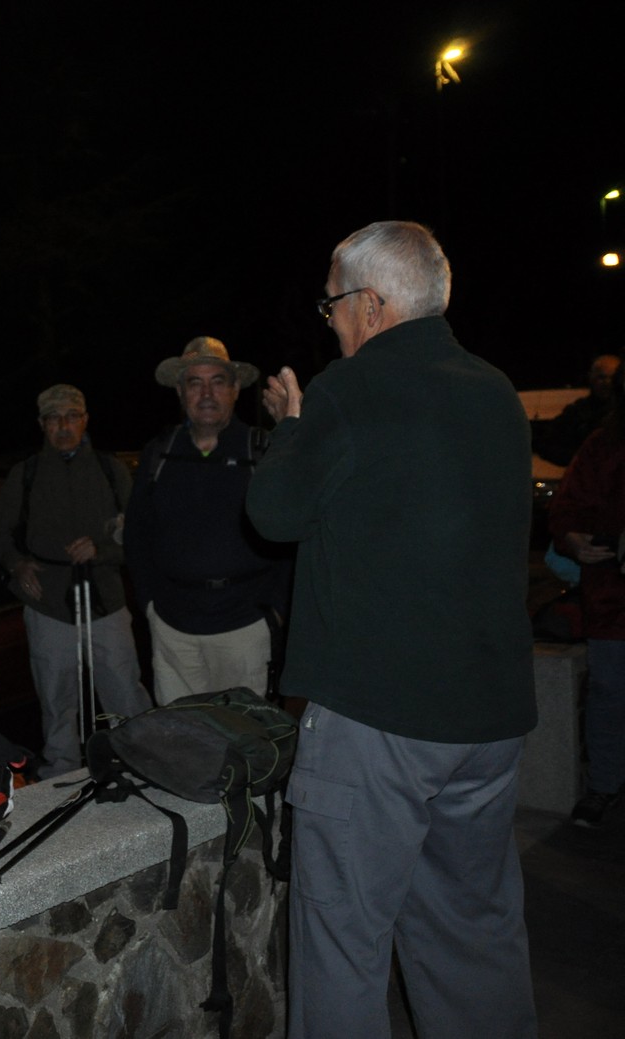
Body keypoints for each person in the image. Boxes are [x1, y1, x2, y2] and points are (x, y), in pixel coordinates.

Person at [246, 221, 537, 1038]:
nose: (331, 322)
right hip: (487, 722)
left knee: (343, 941)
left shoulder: (349, 388)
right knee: (471, 932)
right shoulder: (496, 390)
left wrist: (293, 424)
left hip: (379, 721)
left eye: (333, 304)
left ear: (372, 305)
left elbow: (274, 513)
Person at [0, 384, 149, 778]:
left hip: (106, 599)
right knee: (57, 703)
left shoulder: (111, 470)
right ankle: (63, 776)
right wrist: (17, 565)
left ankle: (141, 767)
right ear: (42, 424)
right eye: (54, 418)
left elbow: (141, 534)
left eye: (72, 416)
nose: (63, 426)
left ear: (85, 420)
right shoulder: (25, 474)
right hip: (49, 602)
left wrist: (101, 549)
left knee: (126, 694)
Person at [124, 338, 292, 704]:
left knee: (245, 733)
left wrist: (276, 609)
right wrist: (149, 604)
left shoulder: (261, 450)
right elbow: (137, 534)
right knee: (180, 732)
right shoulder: (159, 453)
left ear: (235, 389)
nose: (206, 393)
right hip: (173, 630)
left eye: (217, 381)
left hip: (245, 627)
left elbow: (289, 537)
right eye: (195, 382)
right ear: (180, 391)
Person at [546, 364, 625, 827]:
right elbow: (567, 509)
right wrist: (573, 539)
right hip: (613, 598)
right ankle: (605, 785)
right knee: (609, 691)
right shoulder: (604, 444)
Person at [534, 353, 620, 466]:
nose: (607, 383)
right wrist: (581, 460)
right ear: (591, 377)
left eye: (613, 378)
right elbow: (547, 443)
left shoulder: (620, 413)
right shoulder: (578, 412)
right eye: (602, 377)